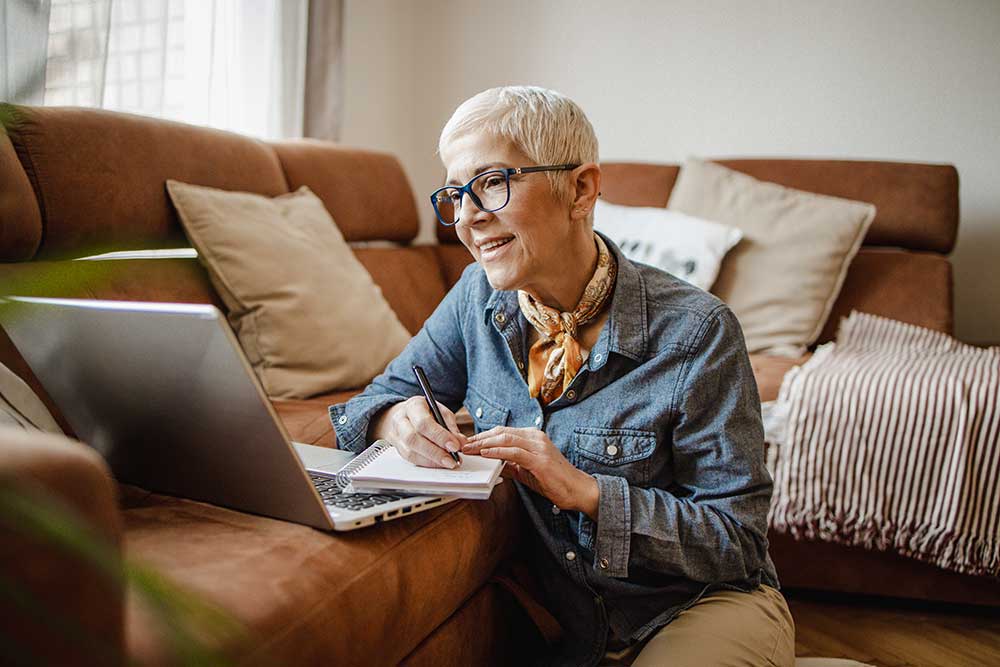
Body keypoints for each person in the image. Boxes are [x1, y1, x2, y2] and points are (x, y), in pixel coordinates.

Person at [329, 86, 795, 667]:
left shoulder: (699, 332)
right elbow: (378, 398)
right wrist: (397, 418)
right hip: (573, 629)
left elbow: (738, 542)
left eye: (493, 182)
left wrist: (588, 492)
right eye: (455, 194)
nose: (468, 217)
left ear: (580, 188)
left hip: (698, 606)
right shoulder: (475, 298)